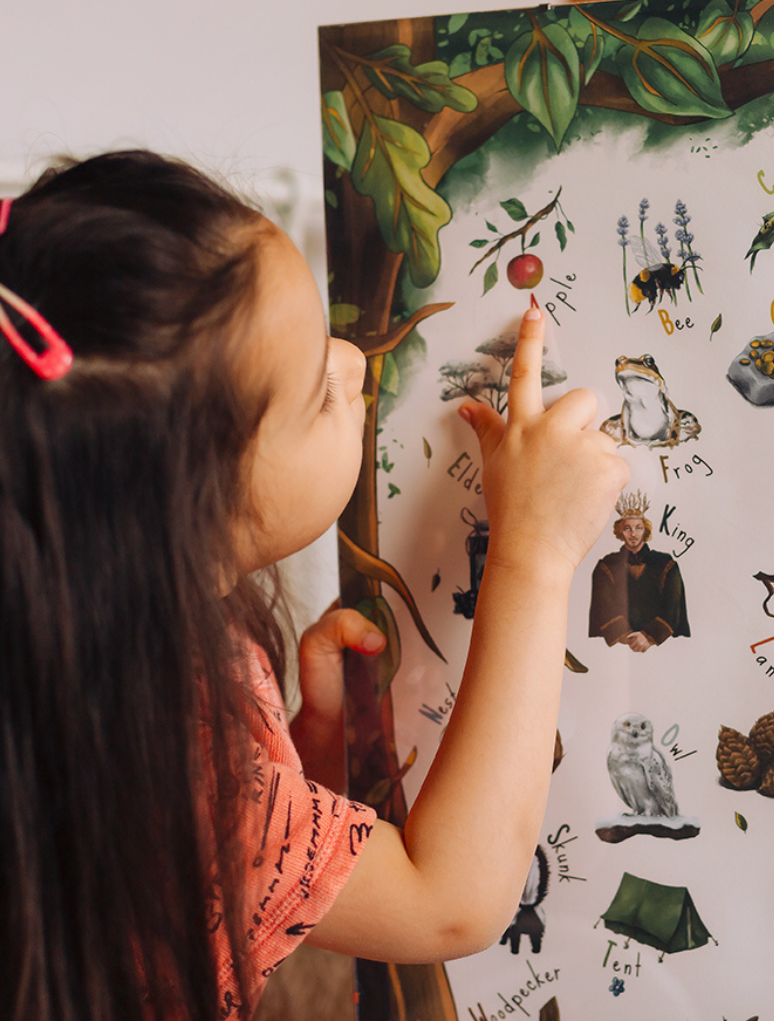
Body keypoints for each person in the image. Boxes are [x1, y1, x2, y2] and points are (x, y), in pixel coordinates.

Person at [0, 151, 628, 1020]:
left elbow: (242, 872)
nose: (353, 362)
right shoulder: (160, 766)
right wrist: (534, 548)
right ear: (191, 530)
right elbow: (452, 902)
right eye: (314, 393)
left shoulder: (77, 615)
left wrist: (304, 751)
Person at [588, 490, 689, 652]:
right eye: (627, 528)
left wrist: (649, 636)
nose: (633, 533)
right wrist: (629, 637)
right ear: (620, 531)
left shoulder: (666, 564)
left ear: (645, 530)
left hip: (665, 649)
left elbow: (673, 608)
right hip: (616, 650)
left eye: (638, 528)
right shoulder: (606, 565)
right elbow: (603, 608)